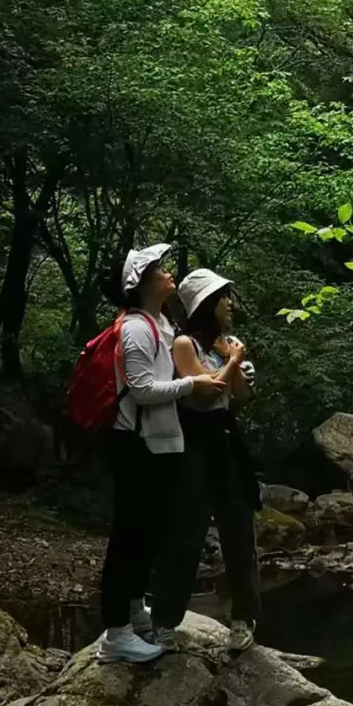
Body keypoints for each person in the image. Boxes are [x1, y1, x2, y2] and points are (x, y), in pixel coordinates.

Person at [97, 242, 222, 664]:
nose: (169, 273)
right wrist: (192, 386)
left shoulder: (161, 322)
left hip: (159, 442)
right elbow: (143, 390)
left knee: (148, 533)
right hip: (135, 443)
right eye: (161, 269)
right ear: (145, 283)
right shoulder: (134, 327)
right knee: (128, 538)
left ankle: (134, 612)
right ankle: (116, 635)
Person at [151, 268, 262, 654]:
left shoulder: (229, 342)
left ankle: (243, 619)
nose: (230, 304)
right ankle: (164, 622)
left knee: (238, 527)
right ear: (208, 303)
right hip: (194, 443)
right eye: (224, 296)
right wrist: (233, 362)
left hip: (228, 440)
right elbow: (203, 393)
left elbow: (242, 398)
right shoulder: (184, 343)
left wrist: (239, 368)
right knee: (185, 529)